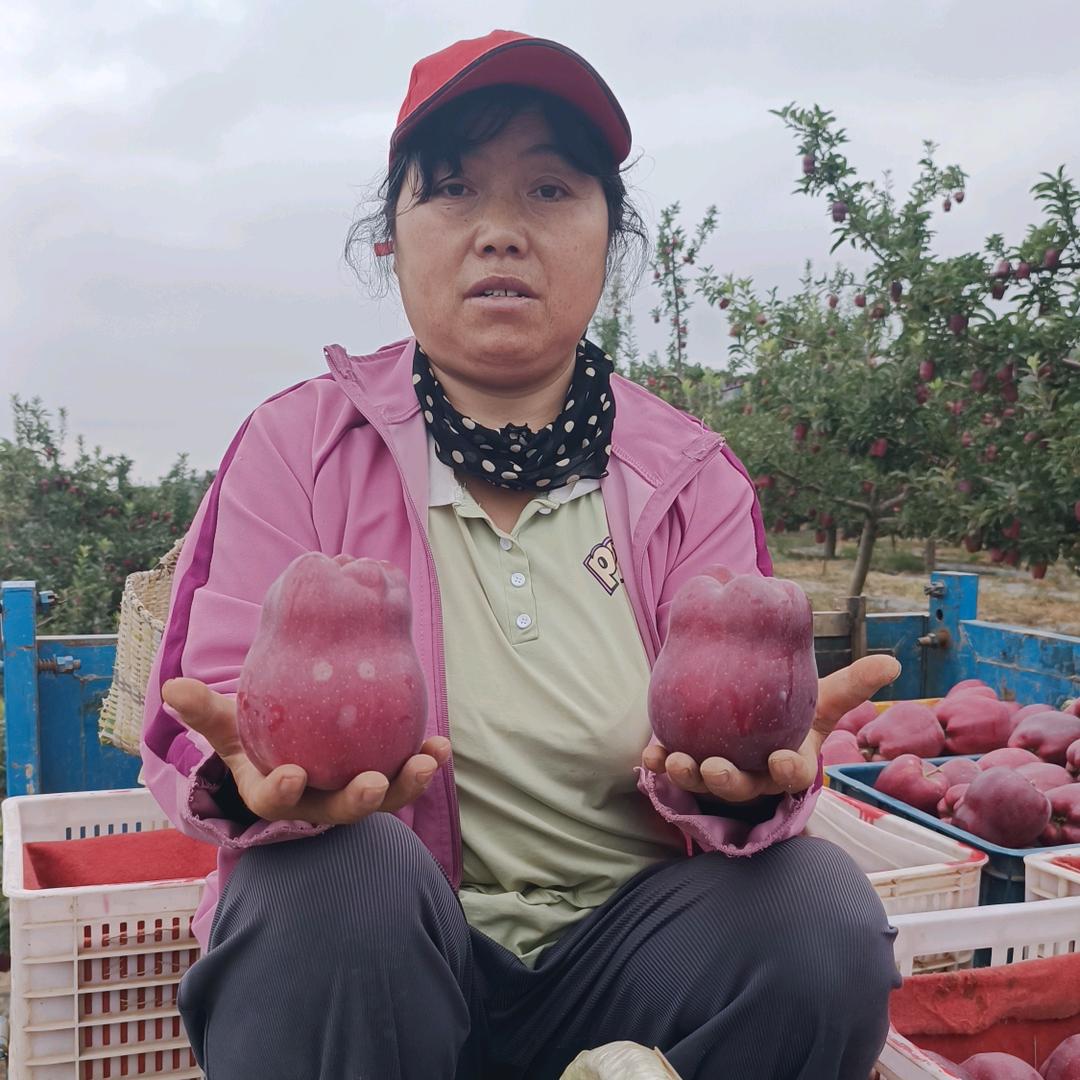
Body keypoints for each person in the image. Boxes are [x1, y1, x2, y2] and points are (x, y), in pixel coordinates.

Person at [141, 28, 902, 1080]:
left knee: (818, 916)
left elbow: (739, 732)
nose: (500, 231)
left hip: (633, 955)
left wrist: (748, 787)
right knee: (334, 881)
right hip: (388, 962)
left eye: (550, 191)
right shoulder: (298, 448)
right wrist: (247, 774)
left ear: (610, 241)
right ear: (391, 241)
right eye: (452, 191)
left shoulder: (693, 476)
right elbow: (199, 710)